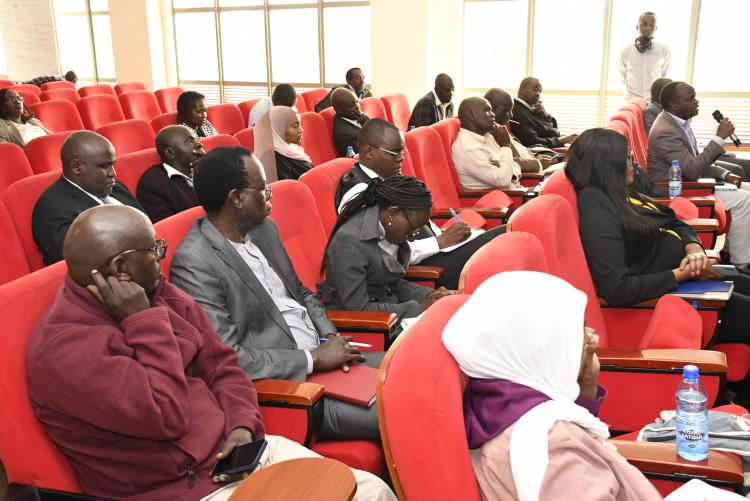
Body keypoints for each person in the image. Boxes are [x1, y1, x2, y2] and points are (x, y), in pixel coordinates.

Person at [27, 204, 394, 501]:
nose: (161, 258)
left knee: (372, 492)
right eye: (154, 250)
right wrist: (144, 322)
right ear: (120, 269)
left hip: (239, 454)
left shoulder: (157, 291)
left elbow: (223, 366)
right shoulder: (66, 350)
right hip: (178, 489)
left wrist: (241, 424)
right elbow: (164, 415)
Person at [170, 146, 384, 441]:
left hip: (326, 357)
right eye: (263, 189)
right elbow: (229, 357)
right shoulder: (195, 261)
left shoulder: (263, 229)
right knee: (406, 407)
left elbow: (301, 293)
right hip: (292, 387)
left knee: (419, 373)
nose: (270, 195)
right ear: (236, 198)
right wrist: (313, 359)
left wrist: (330, 338)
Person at [443, 271, 661, 500]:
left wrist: (587, 381)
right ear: (541, 347)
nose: (589, 337)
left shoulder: (497, 399)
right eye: (577, 330)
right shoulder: (553, 447)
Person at [568, 128, 750, 349]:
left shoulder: (618, 193)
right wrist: (685, 272)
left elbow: (673, 220)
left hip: (690, 278)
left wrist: (694, 250)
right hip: (671, 300)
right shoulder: (597, 210)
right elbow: (618, 290)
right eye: (627, 157)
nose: (633, 164)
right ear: (607, 164)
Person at [336, 118, 506, 290]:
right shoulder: (359, 192)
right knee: (504, 237)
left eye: (403, 152)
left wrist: (445, 236)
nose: (401, 159)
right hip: (426, 269)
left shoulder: (388, 179)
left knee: (504, 239)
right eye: (395, 153)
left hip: (438, 250)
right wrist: (440, 241)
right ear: (369, 152)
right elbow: (381, 255)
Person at [319, 175, 455, 320]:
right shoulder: (349, 242)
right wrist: (419, 308)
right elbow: (358, 309)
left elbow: (390, 282)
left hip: (390, 311)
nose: (414, 235)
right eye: (413, 228)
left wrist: (429, 295)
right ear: (392, 213)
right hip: (372, 327)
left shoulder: (384, 225)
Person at [648, 81, 750, 270]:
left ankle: (729, 252)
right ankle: (741, 264)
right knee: (744, 200)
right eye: (691, 98)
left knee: (747, 188)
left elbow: (696, 161)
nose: (697, 102)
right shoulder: (665, 131)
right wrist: (719, 138)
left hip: (691, 182)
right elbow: (693, 169)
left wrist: (725, 174)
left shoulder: (680, 122)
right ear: (673, 105)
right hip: (676, 191)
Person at [32, 130, 142, 266]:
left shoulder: (114, 186)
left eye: (113, 164)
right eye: (104, 166)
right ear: (76, 167)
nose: (113, 173)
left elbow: (147, 223)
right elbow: (81, 262)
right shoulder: (50, 209)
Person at [136, 125, 205, 223]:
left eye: (195, 140)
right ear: (170, 153)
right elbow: (169, 230)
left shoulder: (205, 169)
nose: (199, 144)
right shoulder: (153, 184)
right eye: (189, 141)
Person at [451, 97, 523, 190]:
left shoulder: (487, 136)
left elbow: (515, 165)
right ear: (472, 115)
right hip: (499, 200)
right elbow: (503, 181)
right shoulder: (467, 149)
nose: (493, 114)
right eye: (487, 110)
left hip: (515, 191)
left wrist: (508, 172)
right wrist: (505, 145)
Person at [484, 87, 561, 173]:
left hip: (535, 158)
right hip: (532, 175)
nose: (511, 115)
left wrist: (535, 156)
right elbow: (505, 162)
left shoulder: (499, 127)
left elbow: (520, 149)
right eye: (507, 111)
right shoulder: (486, 133)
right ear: (492, 109)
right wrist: (538, 163)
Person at [510, 77, 577, 148]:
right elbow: (532, 141)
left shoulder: (532, 109)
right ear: (523, 90)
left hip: (553, 144)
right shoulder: (517, 111)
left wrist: (546, 115)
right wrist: (561, 140)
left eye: (540, 91)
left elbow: (552, 128)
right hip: (544, 152)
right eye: (535, 89)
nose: (538, 94)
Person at [619, 12, 670, 101]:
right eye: (644, 24)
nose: (647, 28)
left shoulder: (664, 50)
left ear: (656, 28)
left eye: (651, 25)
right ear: (637, 27)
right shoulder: (625, 51)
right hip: (630, 100)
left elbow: (664, 75)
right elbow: (622, 77)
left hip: (653, 100)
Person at [253, 106, 312, 182]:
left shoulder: (290, 148)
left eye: (300, 124)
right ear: (279, 129)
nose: (301, 130)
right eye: (295, 126)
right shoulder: (273, 159)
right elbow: (286, 189)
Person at [332, 87, 370, 156]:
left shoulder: (355, 117)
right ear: (339, 111)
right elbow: (369, 154)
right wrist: (368, 124)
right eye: (352, 105)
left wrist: (366, 121)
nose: (357, 107)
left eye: (356, 102)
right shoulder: (345, 135)